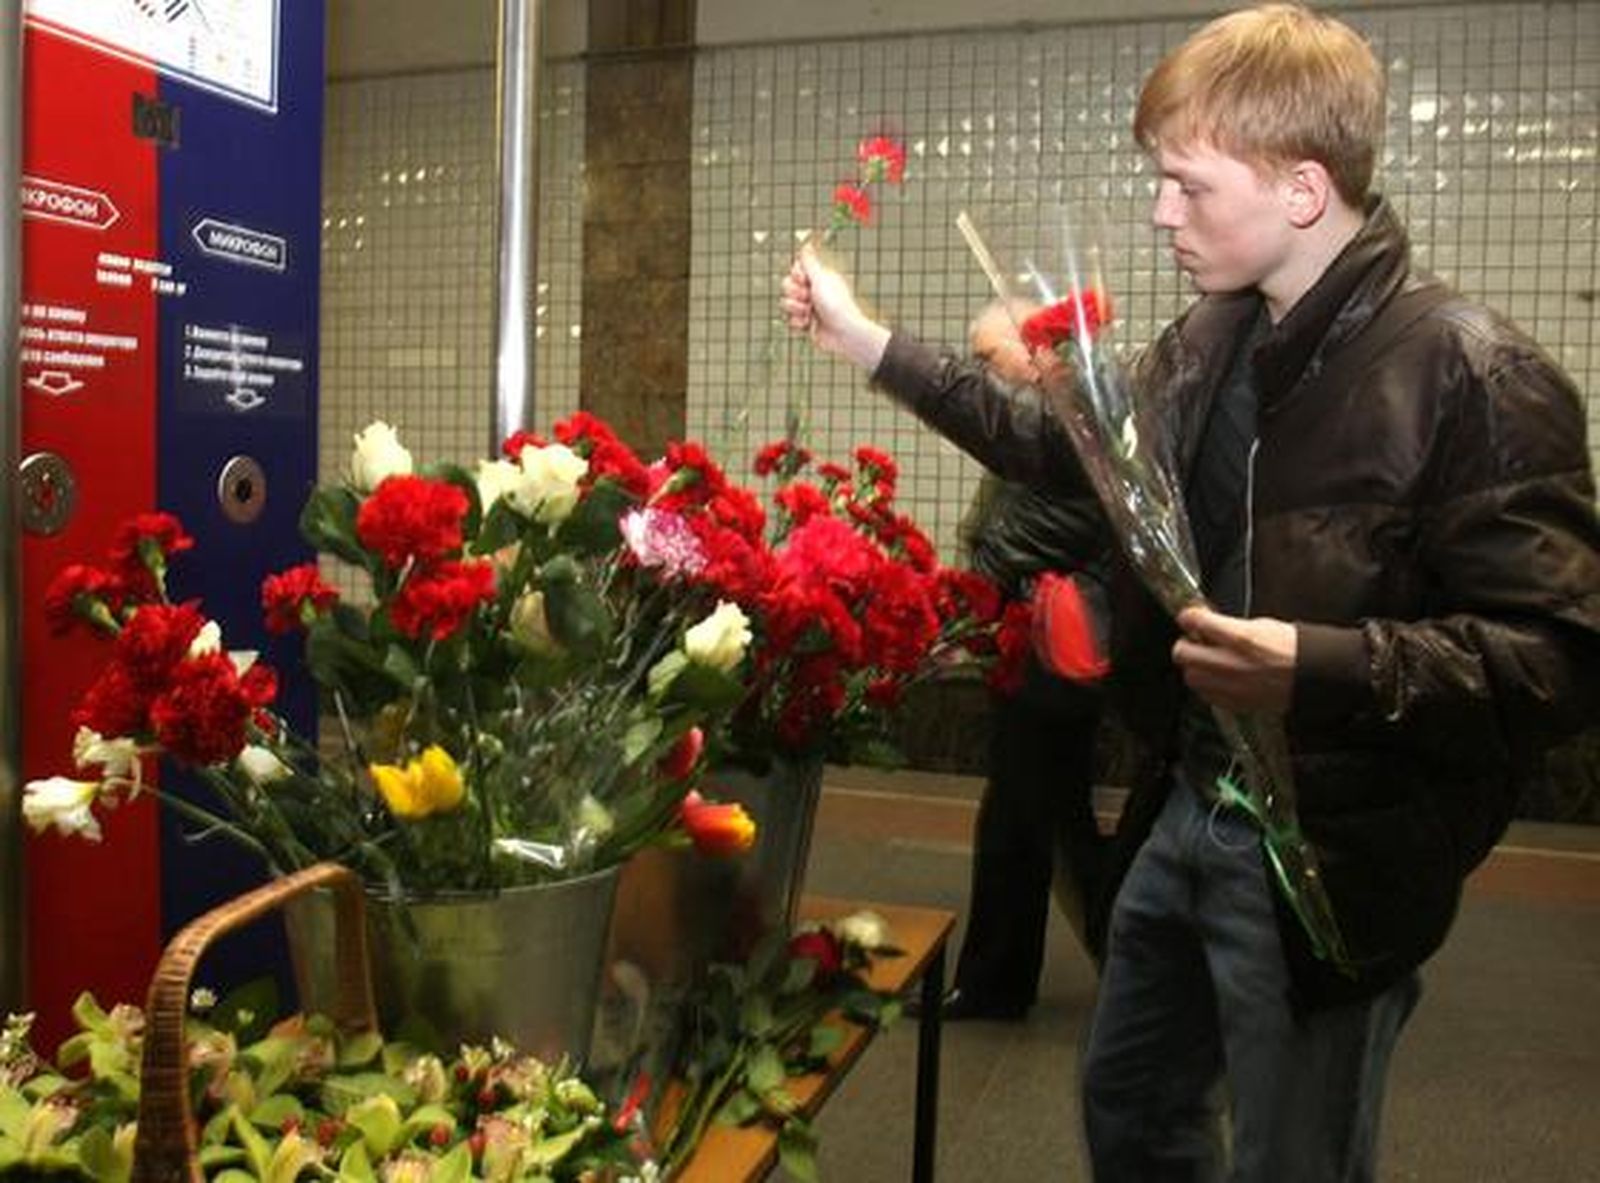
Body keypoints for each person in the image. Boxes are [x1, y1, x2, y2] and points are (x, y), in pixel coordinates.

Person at [780, 5, 1600, 1179]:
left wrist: (1314, 665)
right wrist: (865, 341)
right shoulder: (1210, 339)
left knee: (1292, 1154)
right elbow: (1064, 445)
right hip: (1188, 809)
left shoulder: (1475, 374)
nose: (1161, 213)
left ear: (1302, 189)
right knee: (1131, 1105)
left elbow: (1559, 659)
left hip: (1334, 849)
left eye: (1187, 185)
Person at [936, 300, 1112, 1022]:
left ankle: (998, 982)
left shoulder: (1070, 416)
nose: (985, 372)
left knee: (1020, 815)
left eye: (990, 355)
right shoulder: (1053, 412)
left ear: (1037, 348)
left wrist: (975, 595)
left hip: (1045, 641)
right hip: (1034, 636)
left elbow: (1049, 524)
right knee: (1052, 814)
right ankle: (1132, 960)